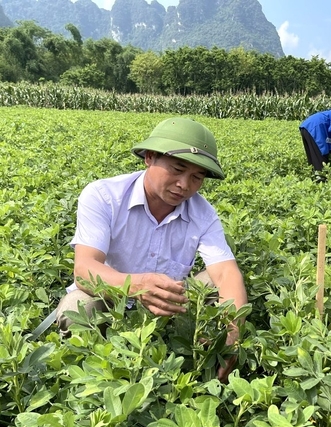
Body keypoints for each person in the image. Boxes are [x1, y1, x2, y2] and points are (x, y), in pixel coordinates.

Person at [55, 117, 248, 381]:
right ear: (149, 157)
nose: (184, 185)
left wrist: (232, 334)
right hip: (112, 299)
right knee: (78, 307)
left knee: (215, 284)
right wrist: (137, 285)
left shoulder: (203, 213)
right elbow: (85, 270)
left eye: (196, 177)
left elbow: (227, 274)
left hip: (168, 301)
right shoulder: (103, 196)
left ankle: (193, 364)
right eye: (177, 170)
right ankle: (94, 380)